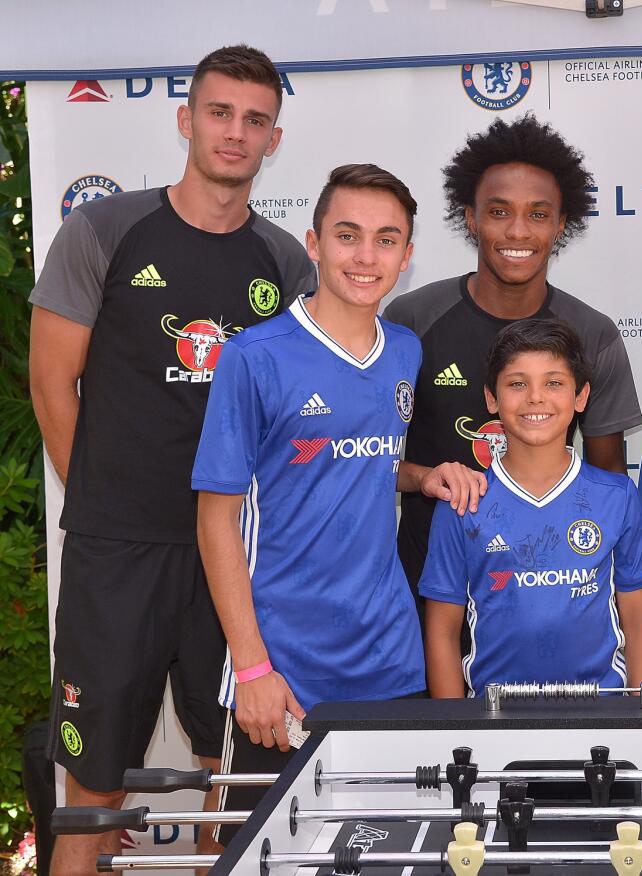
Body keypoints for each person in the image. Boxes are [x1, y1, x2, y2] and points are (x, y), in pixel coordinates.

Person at [28, 45, 314, 875]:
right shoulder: (105, 230)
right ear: (186, 120)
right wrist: (104, 509)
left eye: (254, 120)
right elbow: (53, 388)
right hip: (117, 553)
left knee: (235, 789)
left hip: (232, 558)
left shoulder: (285, 265)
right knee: (91, 796)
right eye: (219, 113)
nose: (235, 132)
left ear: (274, 140)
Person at [192, 164, 484, 841]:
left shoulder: (403, 352)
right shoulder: (254, 357)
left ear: (407, 257)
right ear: (314, 243)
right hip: (284, 667)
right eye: (348, 235)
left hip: (390, 659)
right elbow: (216, 520)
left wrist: (421, 477)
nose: (366, 256)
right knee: (262, 854)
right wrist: (253, 666)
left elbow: (364, 461)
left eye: (386, 240)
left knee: (389, 852)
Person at [384, 115, 642, 610]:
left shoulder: (593, 334)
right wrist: (427, 477)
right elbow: (372, 461)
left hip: (553, 599)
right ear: (470, 217)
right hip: (425, 593)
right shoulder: (412, 319)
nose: (518, 231)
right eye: (499, 211)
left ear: (562, 223)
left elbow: (608, 481)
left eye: (539, 214)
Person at [419, 318, 642, 696]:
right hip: (493, 718)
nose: (535, 397)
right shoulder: (464, 501)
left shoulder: (616, 495)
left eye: (553, 383)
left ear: (580, 397)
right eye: (517, 384)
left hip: (602, 714)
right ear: (491, 398)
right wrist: (455, 730)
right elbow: (442, 629)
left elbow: (638, 617)